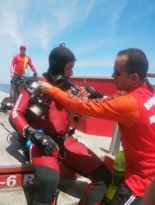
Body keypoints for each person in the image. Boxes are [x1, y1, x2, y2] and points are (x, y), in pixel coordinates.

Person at [39, 48, 155, 204]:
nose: (112, 75)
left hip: (141, 182)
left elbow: (83, 108)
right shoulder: (149, 90)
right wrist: (99, 96)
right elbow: (117, 101)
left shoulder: (129, 104)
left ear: (134, 77)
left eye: (117, 72)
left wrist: (52, 90)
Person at [10, 45, 111, 205]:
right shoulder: (35, 85)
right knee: (49, 181)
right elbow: (15, 114)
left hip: (67, 141)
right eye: (70, 68)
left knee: (105, 176)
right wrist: (34, 135)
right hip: (42, 141)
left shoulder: (71, 89)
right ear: (58, 66)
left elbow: (85, 117)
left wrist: (92, 99)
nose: (72, 73)